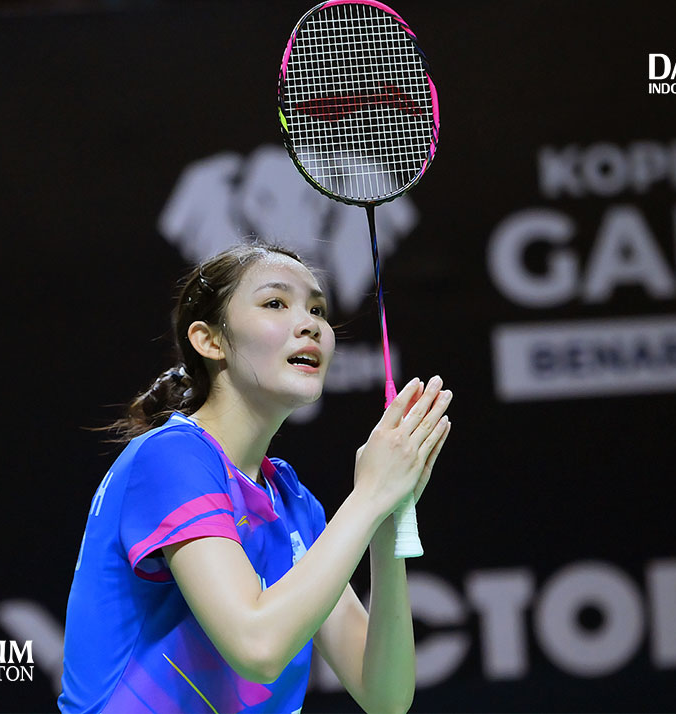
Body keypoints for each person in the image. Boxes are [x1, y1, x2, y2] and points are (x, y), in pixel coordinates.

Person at [58, 242, 453, 714]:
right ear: (210, 341)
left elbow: (385, 696)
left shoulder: (292, 501)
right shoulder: (170, 457)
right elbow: (257, 648)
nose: (309, 324)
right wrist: (368, 497)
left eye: (317, 309)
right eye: (275, 303)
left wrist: (385, 520)